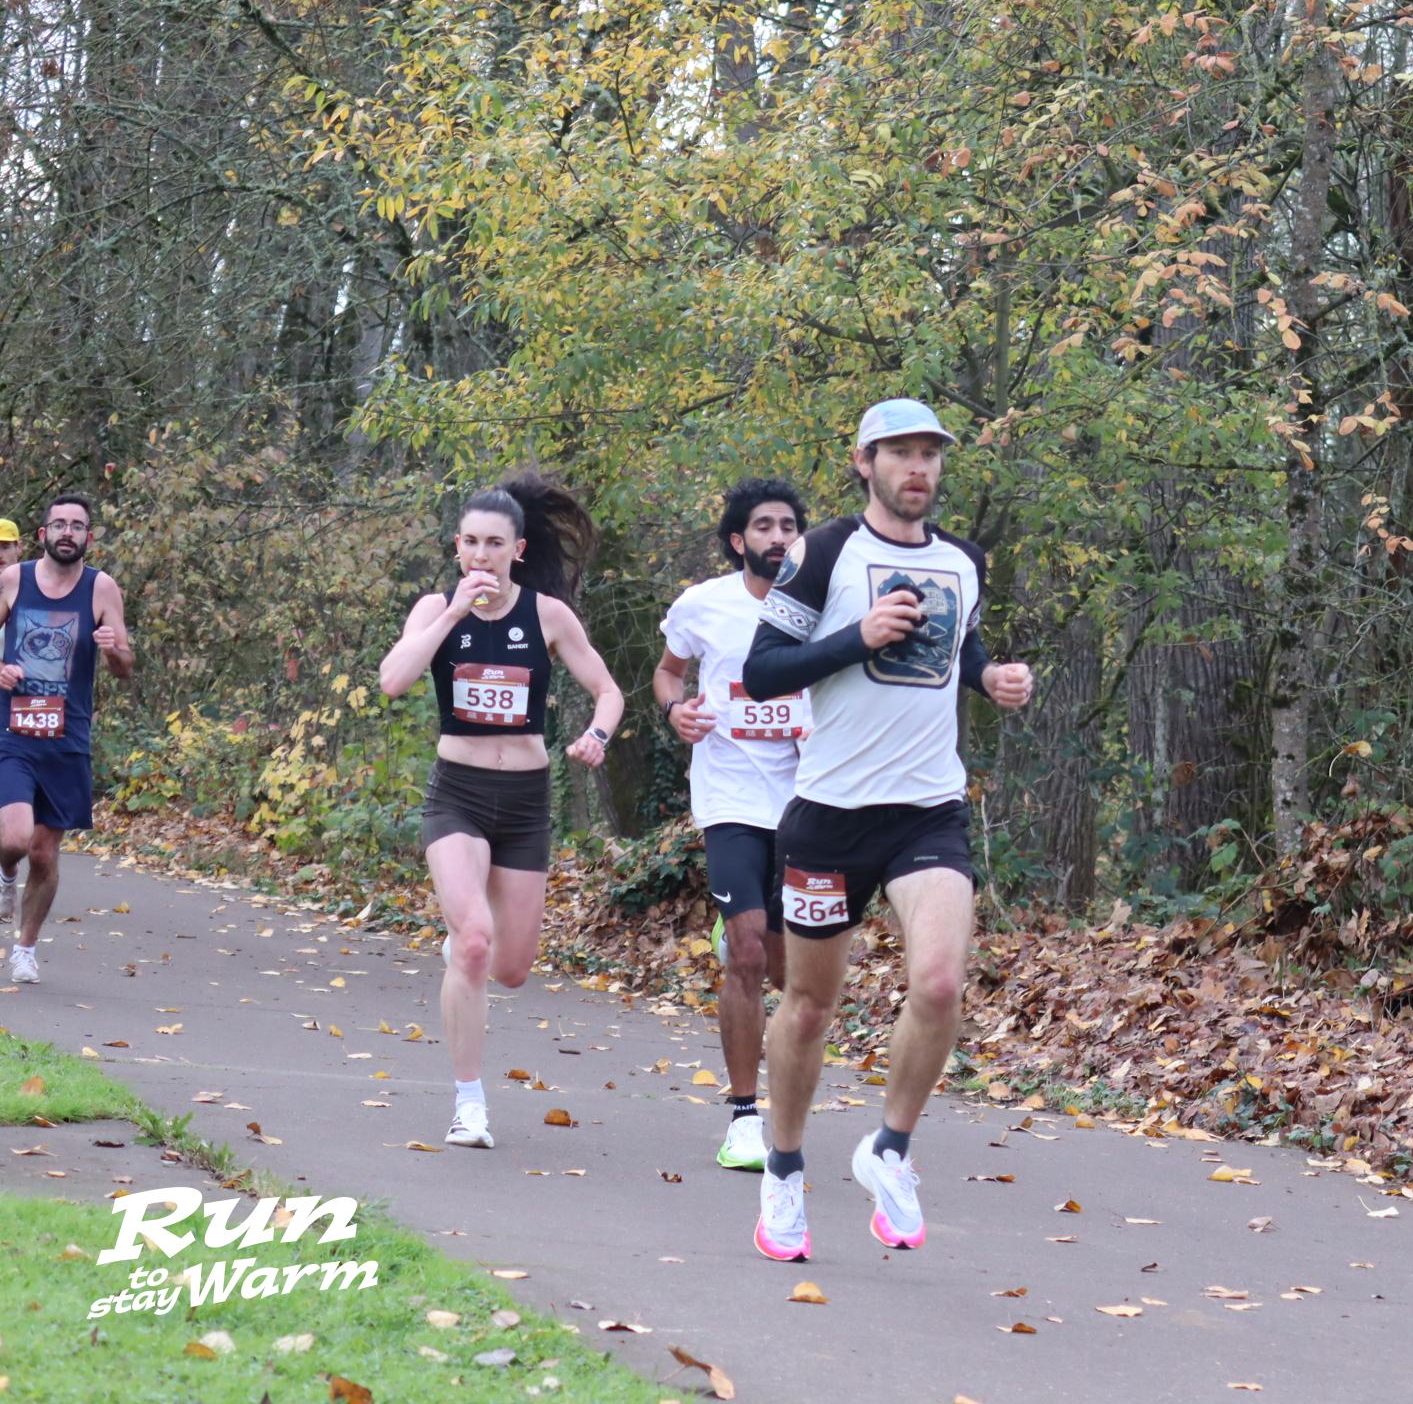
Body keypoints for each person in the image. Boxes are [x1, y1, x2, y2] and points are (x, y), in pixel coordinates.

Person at [740, 399, 1032, 1261]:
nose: (918, 468)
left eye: (930, 454)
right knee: (809, 1007)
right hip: (830, 815)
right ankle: (784, 1170)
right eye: (900, 452)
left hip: (928, 809)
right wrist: (855, 638)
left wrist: (990, 677)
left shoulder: (963, 561)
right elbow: (763, 671)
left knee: (939, 984)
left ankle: (890, 1151)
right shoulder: (824, 552)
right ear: (864, 462)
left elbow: (956, 647)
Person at [377, 477, 624, 1148]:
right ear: (457, 548)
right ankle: (469, 1104)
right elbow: (393, 680)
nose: (481, 556)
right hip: (457, 792)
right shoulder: (436, 607)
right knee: (476, 944)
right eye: (470, 543)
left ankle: (465, 943)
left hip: (524, 801)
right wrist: (453, 614)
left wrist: (597, 735)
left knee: (511, 968)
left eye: (494, 544)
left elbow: (608, 691)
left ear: (517, 550)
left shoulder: (548, 615)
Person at [654, 479, 808, 1171]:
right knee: (747, 955)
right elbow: (667, 673)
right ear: (739, 540)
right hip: (732, 799)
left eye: (789, 526)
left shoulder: (826, 607)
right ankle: (745, 1118)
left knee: (789, 970)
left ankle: (742, 928)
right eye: (765, 526)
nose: (778, 537)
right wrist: (676, 710)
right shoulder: (704, 604)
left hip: (809, 802)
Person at [0, 496, 134, 982]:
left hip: (67, 735)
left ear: (88, 537)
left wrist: (113, 650)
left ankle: (26, 948)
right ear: (43, 534)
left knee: (44, 852)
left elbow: (124, 667)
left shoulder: (102, 588)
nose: (67, 532)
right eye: (58, 524)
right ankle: (5, 874)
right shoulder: (13, 580)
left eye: (77, 526)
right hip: (13, 730)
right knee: (15, 838)